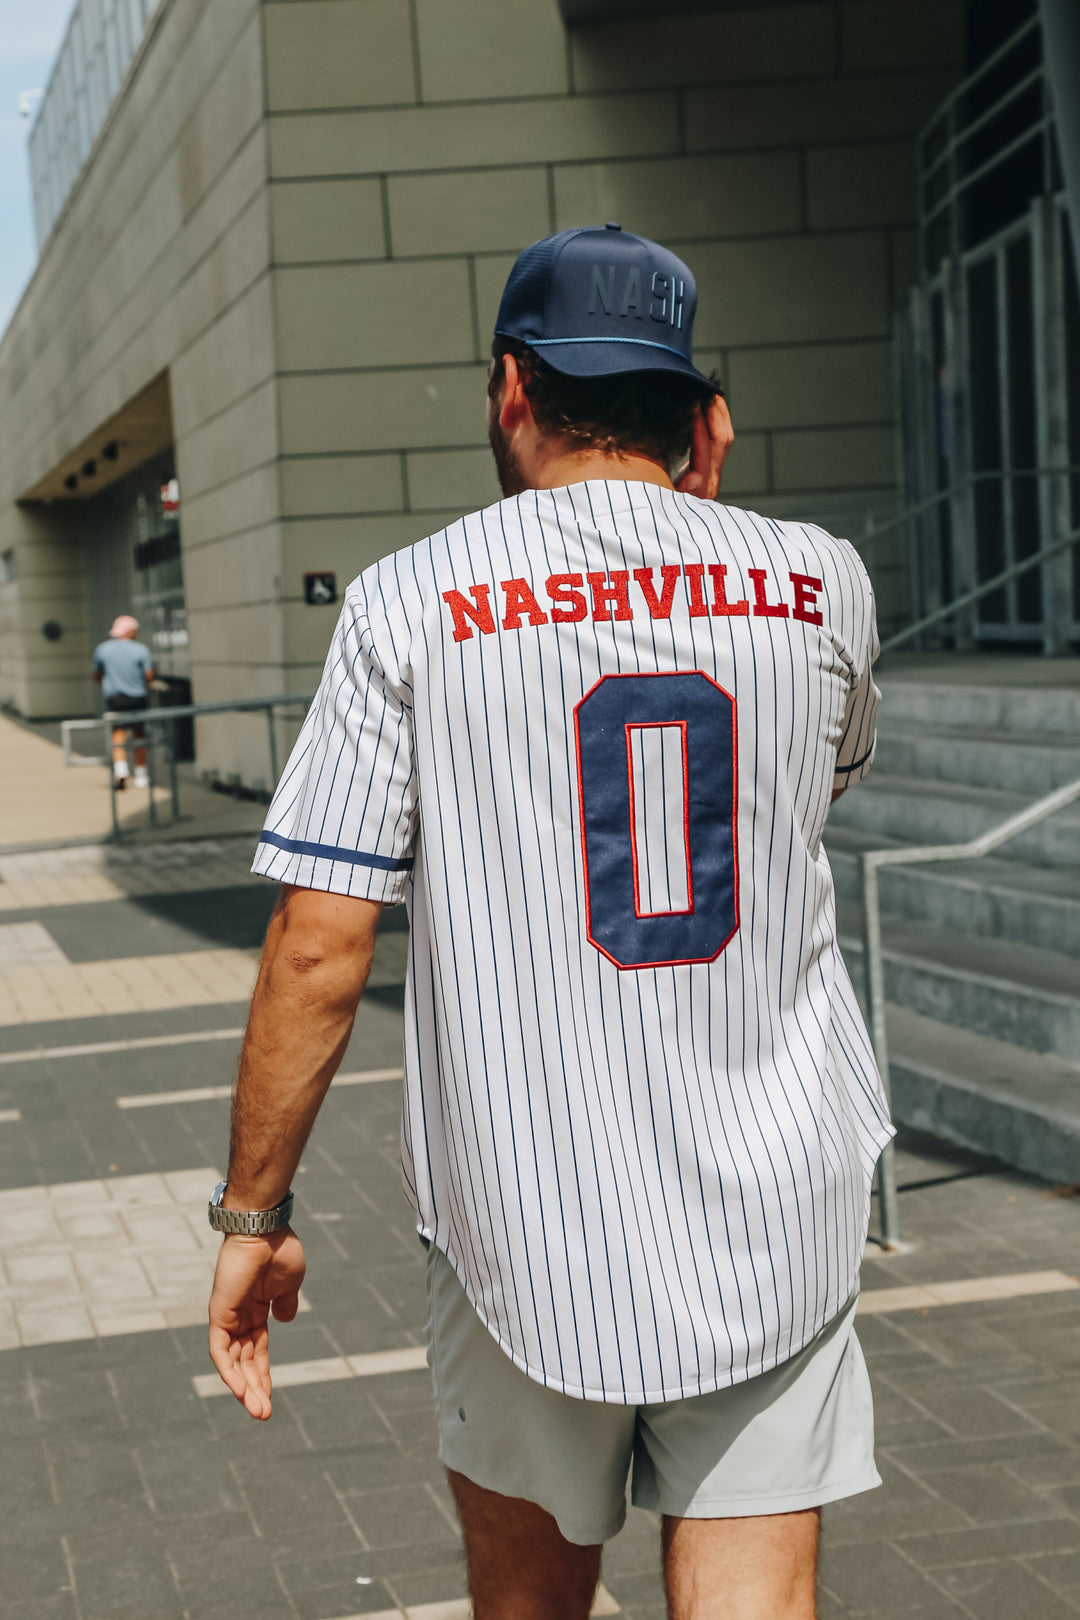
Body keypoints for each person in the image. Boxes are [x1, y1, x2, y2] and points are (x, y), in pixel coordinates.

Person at [207, 224, 893, 1620]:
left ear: (513, 390)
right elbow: (813, 790)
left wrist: (257, 1209)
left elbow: (322, 948)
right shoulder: (821, 581)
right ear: (701, 415)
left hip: (525, 1220)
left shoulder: (411, 603)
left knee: (526, 1607)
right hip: (777, 1203)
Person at [92, 614, 154, 789]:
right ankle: (141, 774)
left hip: (115, 698)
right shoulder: (141, 649)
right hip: (137, 697)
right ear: (131, 631)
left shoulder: (103, 649)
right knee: (139, 735)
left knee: (118, 733)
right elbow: (148, 675)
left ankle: (121, 769)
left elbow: (97, 675)